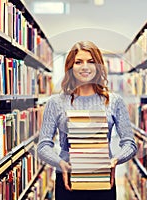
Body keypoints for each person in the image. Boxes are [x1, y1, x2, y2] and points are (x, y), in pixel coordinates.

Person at [37, 41, 137, 200]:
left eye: (91, 61)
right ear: (70, 66)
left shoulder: (114, 101)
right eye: (78, 62)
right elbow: (43, 146)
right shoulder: (56, 102)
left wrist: (115, 160)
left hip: (103, 179)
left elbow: (129, 143)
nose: (85, 67)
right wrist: (60, 163)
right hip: (67, 179)